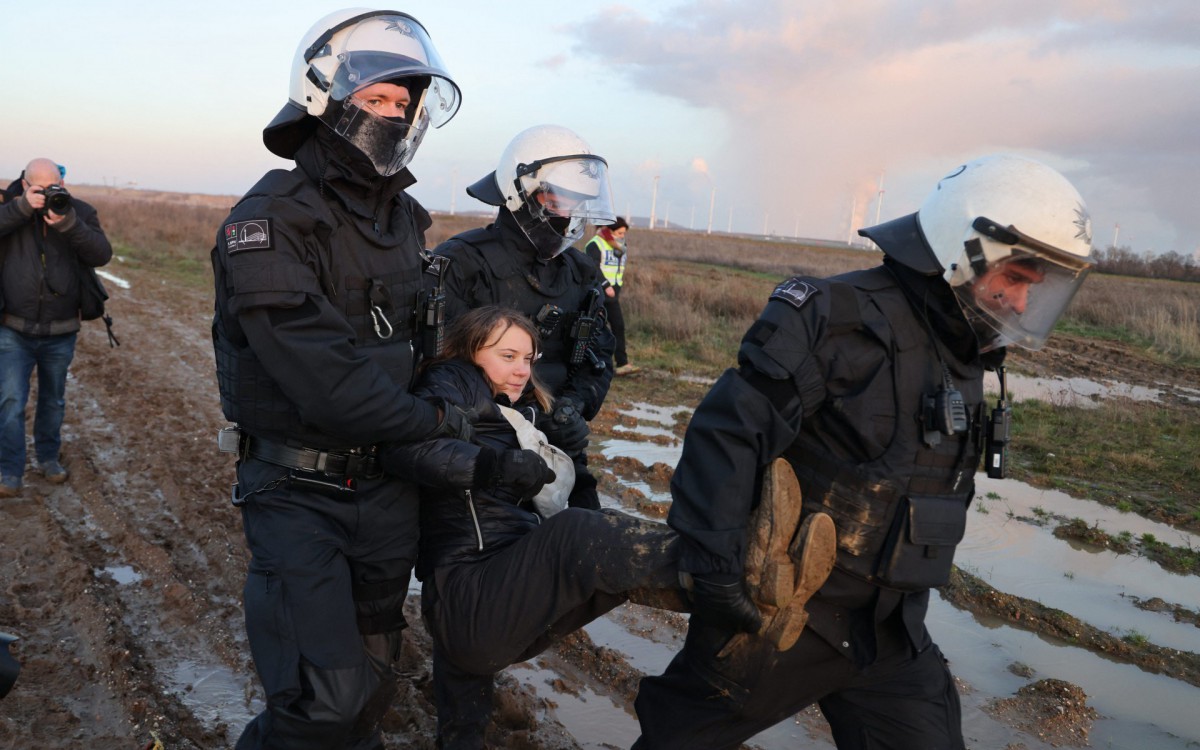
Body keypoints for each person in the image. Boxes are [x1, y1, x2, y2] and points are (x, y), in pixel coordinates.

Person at [633, 153, 1096, 749]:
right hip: (785, 616)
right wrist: (716, 568)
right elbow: (727, 434)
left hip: (892, 634)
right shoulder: (836, 317)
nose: (1021, 305)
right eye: (1014, 280)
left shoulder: (963, 351)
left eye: (1034, 288)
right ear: (963, 251)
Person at [209, 9, 480, 748]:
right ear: (323, 96)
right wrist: (436, 427)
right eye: (377, 99)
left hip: (389, 497)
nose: (393, 116)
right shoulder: (270, 218)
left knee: (370, 694)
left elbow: (439, 349)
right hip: (299, 496)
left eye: (404, 103)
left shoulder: (408, 221)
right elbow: (325, 377)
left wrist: (456, 396)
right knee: (321, 703)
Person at [386, 305, 821, 748]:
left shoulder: (527, 416)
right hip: (469, 597)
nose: (521, 370)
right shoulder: (451, 382)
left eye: (529, 359)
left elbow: (575, 502)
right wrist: (492, 466)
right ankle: (738, 564)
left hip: (492, 611)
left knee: (466, 725)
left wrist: (573, 458)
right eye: (508, 356)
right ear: (470, 350)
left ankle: (748, 607)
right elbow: (412, 449)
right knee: (577, 535)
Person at [434, 125, 619, 511]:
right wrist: (520, 418)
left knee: (584, 551)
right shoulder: (463, 261)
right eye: (558, 201)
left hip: (559, 451)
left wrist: (571, 410)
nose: (568, 215)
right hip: (483, 457)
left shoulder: (581, 272)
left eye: (578, 203)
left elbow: (598, 359)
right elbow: (438, 368)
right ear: (521, 194)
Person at [0, 158, 112, 497]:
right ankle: (9, 471)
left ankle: (48, 458)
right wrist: (21, 208)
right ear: (25, 185)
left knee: (53, 401)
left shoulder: (78, 211)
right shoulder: (10, 208)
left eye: (56, 188)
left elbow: (102, 254)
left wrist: (69, 224)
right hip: (13, 328)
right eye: (42, 189)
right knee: (9, 400)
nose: (51, 194)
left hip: (61, 330)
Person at [585, 216, 639, 375]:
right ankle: (587, 363)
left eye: (624, 234)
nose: (622, 236)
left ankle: (622, 364)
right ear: (610, 231)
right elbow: (592, 268)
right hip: (598, 293)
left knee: (618, 327)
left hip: (613, 295)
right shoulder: (595, 244)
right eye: (620, 233)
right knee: (593, 329)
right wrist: (606, 285)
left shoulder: (620, 246)